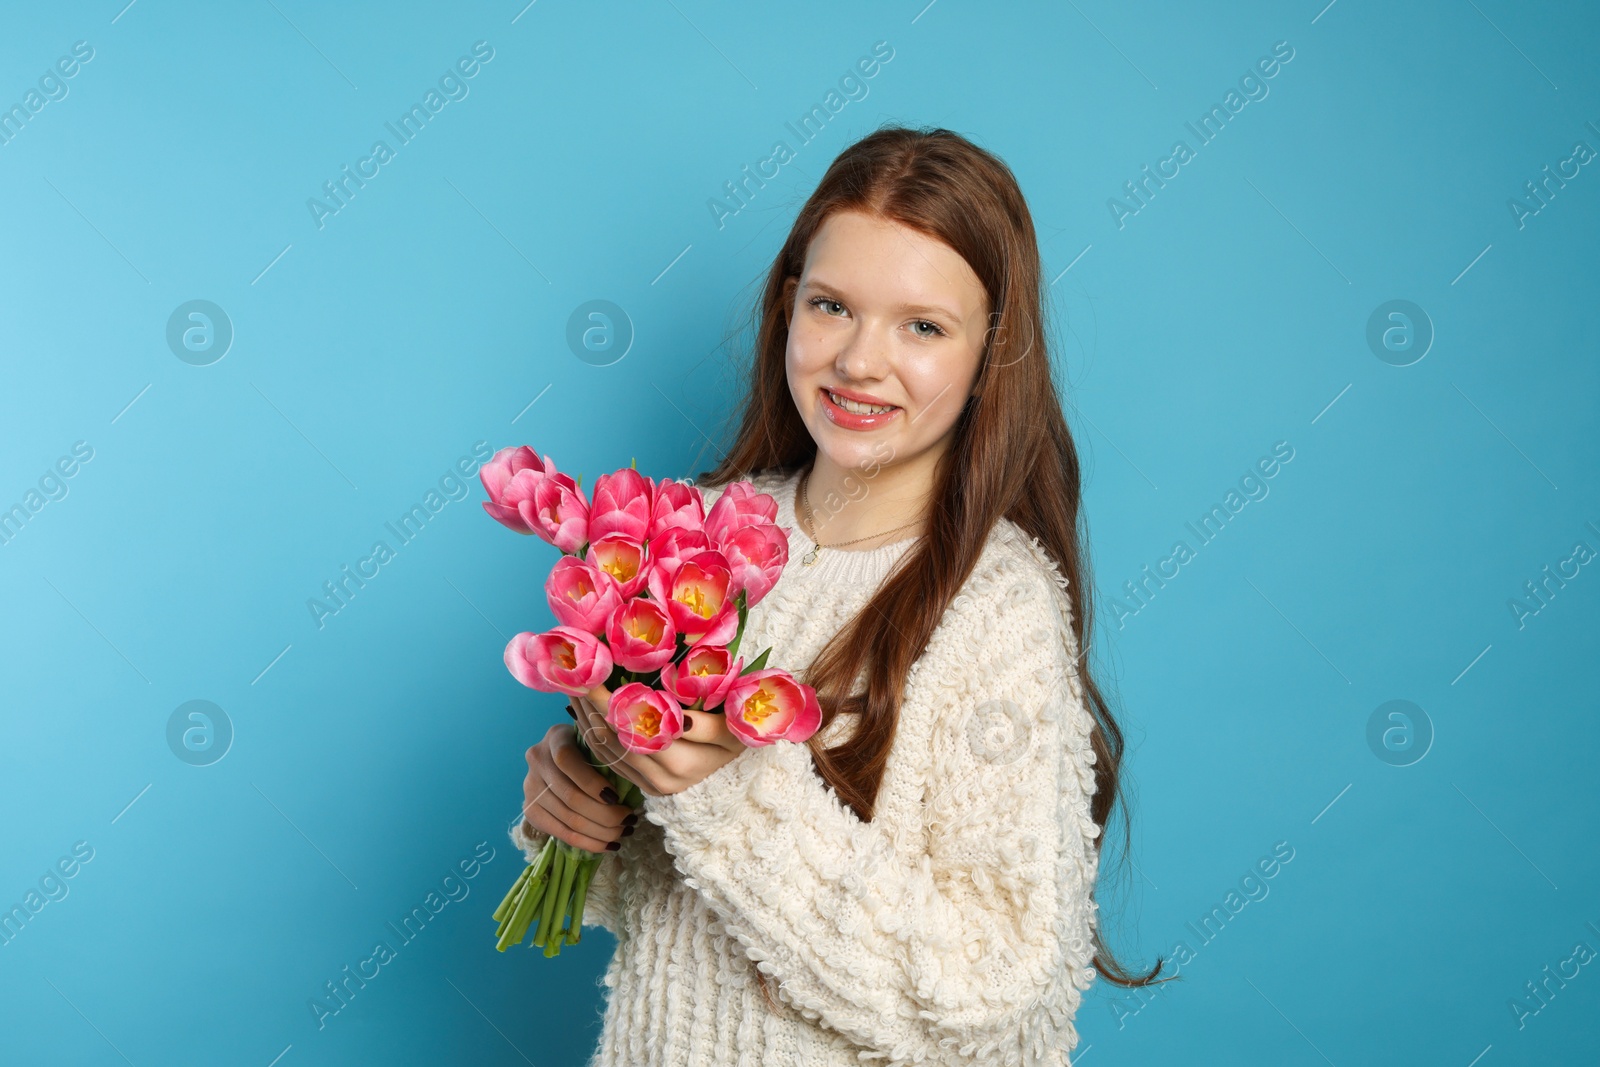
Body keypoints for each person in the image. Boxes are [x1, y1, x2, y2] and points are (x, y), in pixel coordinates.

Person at [511, 124, 1165, 1065]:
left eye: (924, 326)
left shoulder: (994, 607)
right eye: (832, 306)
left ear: (994, 350)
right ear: (787, 308)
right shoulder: (687, 539)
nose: (861, 361)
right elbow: (662, 901)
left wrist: (727, 791)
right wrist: (575, 819)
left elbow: (985, 988)